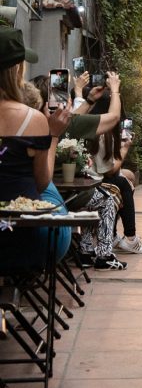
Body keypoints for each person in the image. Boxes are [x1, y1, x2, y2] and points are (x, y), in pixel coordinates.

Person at [26, 77, 127, 271]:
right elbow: (113, 118)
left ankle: (86, 251)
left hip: (26, 197)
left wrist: (89, 100)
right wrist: (115, 90)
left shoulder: (28, 121)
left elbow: (72, 120)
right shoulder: (62, 125)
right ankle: (103, 255)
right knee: (107, 198)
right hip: (57, 197)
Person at [0, 30, 71, 271]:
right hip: (18, 240)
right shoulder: (32, 119)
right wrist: (53, 136)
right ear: (17, 69)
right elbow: (41, 182)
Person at [86, 85, 142, 255]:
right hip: (92, 182)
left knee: (126, 176)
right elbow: (111, 170)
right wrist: (125, 147)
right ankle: (130, 238)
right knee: (123, 182)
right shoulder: (103, 133)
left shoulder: (86, 123)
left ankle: (113, 234)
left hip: (88, 176)